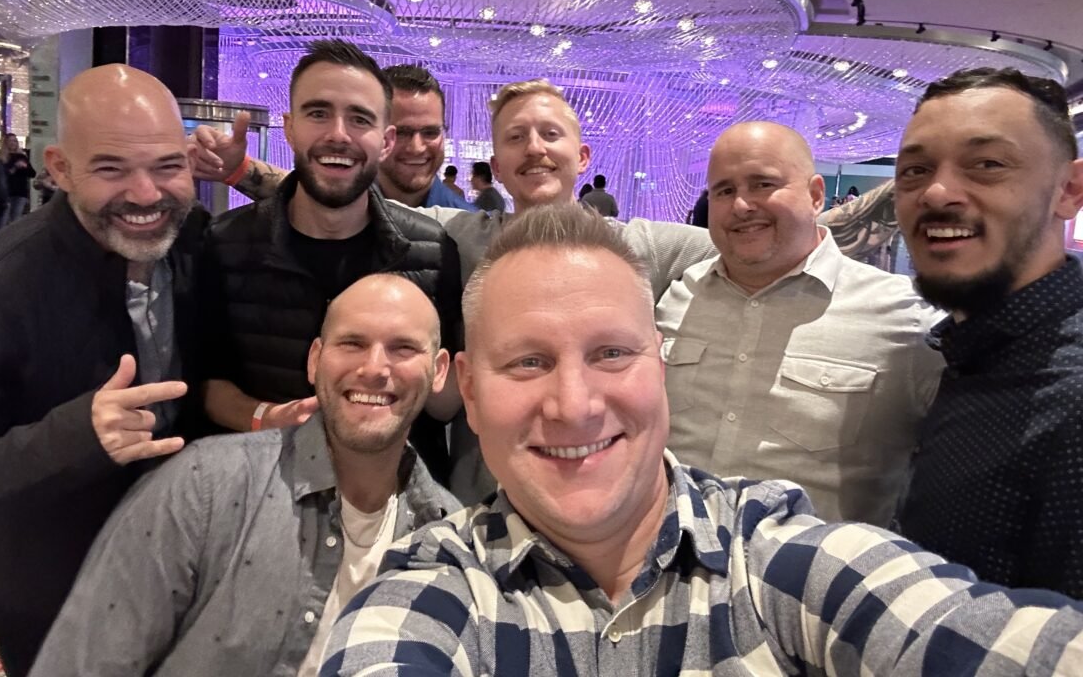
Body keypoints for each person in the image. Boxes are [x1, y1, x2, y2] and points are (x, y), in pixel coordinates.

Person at [321, 203, 1083, 677]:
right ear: (473, 398)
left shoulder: (778, 560)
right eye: (528, 362)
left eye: (612, 353)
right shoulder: (430, 588)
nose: (575, 405)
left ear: (663, 365)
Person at [196, 78, 903, 502]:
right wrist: (246, 175)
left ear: (581, 154)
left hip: (601, 484)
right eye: (516, 138)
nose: (535, 148)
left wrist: (832, 211)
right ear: (496, 161)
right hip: (484, 492)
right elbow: (359, 209)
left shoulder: (648, 249)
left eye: (550, 134)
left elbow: (755, 238)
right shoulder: (463, 234)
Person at [31, 275, 460, 677]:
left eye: (403, 348)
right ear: (315, 360)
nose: (375, 367)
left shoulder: (448, 540)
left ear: (439, 371)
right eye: (352, 343)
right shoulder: (204, 488)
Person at [0, 64, 205, 676]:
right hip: (54, 592)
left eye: (167, 166)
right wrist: (76, 437)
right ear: (60, 168)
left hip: (179, 564)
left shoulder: (193, 241)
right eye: (111, 168)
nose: (147, 194)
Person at [198, 39, 461, 484]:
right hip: (263, 490)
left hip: (398, 504)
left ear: (384, 140)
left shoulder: (432, 250)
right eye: (318, 113)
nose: (338, 134)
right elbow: (204, 380)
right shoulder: (225, 244)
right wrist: (265, 418)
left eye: (359, 119)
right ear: (290, 127)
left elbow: (444, 397)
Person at [655, 122, 941, 525]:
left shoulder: (903, 316)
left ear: (815, 195)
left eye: (762, 184)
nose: (741, 205)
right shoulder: (678, 294)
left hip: (812, 580)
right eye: (724, 190)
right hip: (667, 568)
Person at [892, 67, 1083, 597]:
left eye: (987, 165)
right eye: (914, 170)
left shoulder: (1070, 399)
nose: (937, 192)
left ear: (1069, 190)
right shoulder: (969, 351)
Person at [191, 64, 473, 211]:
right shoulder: (345, 197)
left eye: (431, 132)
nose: (417, 147)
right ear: (382, 137)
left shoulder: (466, 228)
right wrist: (237, 169)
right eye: (403, 132)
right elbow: (299, 191)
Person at [0, 132, 35, 225]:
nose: (13, 143)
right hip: (6, 192)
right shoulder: (0, 157)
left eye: (15, 141)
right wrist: (14, 167)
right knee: (3, 219)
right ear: (5, 143)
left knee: (16, 219)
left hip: (20, 192)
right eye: (10, 141)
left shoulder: (22, 156)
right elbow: (2, 174)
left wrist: (25, 167)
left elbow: (32, 173)